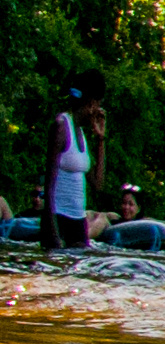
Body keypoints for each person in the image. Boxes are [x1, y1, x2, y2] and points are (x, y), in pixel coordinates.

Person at [39, 88, 98, 251]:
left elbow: (98, 184)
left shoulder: (82, 133)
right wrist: (53, 230)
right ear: (91, 104)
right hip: (58, 217)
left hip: (78, 219)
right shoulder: (61, 125)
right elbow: (49, 182)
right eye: (97, 106)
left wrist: (101, 140)